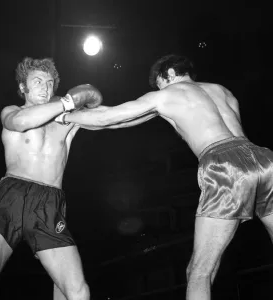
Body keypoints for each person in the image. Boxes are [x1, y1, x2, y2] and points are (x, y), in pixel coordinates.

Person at [58, 53, 273, 300]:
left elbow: (110, 118)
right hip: (264, 158)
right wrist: (87, 112)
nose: (158, 90)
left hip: (225, 165)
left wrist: (62, 115)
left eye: (158, 84)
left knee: (198, 271)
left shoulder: (167, 95)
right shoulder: (221, 91)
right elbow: (122, 121)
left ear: (168, 74)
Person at [0, 57, 153, 300]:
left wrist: (159, 107)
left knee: (78, 292)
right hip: (11, 196)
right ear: (23, 87)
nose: (45, 87)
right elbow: (22, 123)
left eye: (49, 82)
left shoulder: (66, 119)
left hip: (48, 202)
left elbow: (113, 119)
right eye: (37, 81)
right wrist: (68, 102)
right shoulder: (12, 111)